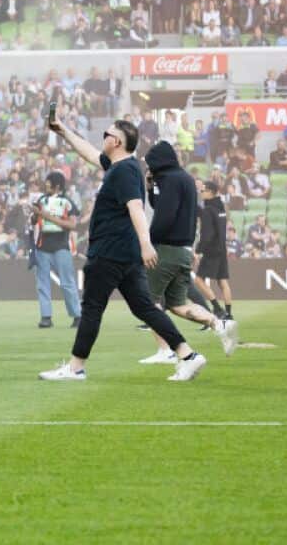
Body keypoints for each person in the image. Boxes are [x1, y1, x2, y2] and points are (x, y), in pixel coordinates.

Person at [39, 119, 205, 382]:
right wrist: (63, 131)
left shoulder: (124, 171)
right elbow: (90, 153)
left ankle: (75, 368)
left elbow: (136, 207)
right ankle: (188, 355)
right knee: (145, 308)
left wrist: (146, 243)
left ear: (116, 142)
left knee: (92, 308)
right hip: (124, 254)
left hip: (109, 252)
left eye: (107, 134)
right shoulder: (122, 167)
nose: (103, 137)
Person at [138, 143, 237, 365]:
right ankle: (218, 322)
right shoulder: (183, 179)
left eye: (151, 163)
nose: (149, 167)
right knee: (177, 304)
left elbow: (164, 215)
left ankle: (166, 350)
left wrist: (149, 243)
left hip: (166, 248)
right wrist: (150, 186)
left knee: (149, 301)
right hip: (182, 250)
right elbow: (161, 204)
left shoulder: (171, 180)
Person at [31, 171, 82, 329]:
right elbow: (35, 221)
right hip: (42, 246)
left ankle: (77, 315)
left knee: (67, 283)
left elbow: (72, 225)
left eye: (48, 184)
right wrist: (34, 215)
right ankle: (46, 317)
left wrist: (46, 216)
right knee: (42, 283)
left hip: (61, 246)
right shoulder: (41, 200)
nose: (46, 186)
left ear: (57, 186)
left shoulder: (67, 202)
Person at [194, 180, 233, 320]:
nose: (201, 192)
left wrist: (198, 251)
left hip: (212, 250)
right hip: (222, 249)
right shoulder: (221, 208)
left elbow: (207, 235)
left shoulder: (208, 210)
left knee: (198, 280)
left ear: (211, 192)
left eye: (203, 190)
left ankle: (217, 309)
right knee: (223, 281)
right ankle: (228, 314)